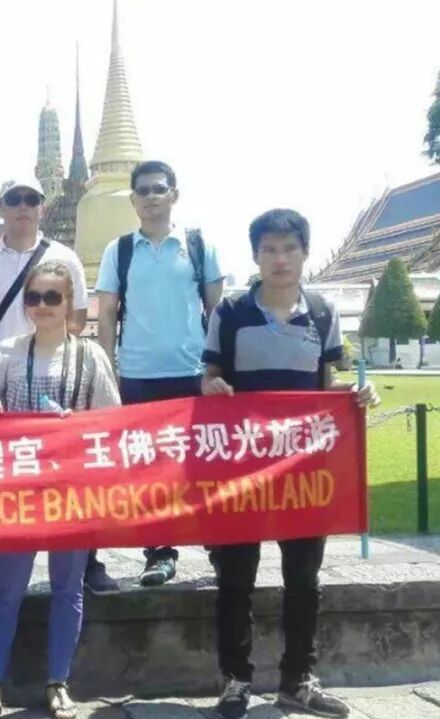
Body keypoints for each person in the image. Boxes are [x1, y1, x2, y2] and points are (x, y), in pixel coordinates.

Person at [201, 209, 379, 719]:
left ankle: (298, 680)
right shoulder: (231, 312)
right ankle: (235, 681)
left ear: (304, 253)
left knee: (304, 579)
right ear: (255, 256)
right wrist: (211, 385)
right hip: (241, 468)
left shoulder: (322, 312)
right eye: (269, 250)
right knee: (235, 577)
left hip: (303, 470)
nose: (280, 259)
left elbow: (325, 386)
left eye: (289, 249)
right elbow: (209, 375)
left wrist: (356, 395)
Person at [0, 260, 121, 719]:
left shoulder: (90, 355)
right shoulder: (9, 351)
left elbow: (112, 420)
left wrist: (77, 425)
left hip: (72, 489)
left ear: (69, 303)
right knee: (7, 587)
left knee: (68, 588)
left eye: (52, 297)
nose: (41, 306)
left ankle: (59, 681)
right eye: (33, 297)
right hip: (18, 487)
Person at [0, 176, 113, 595]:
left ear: (42, 206)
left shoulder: (64, 257)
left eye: (31, 199)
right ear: (1, 208)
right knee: (14, 491)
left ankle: (87, 561)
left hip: (61, 380)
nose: (23, 206)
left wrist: (49, 346)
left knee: (75, 484)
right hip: (6, 389)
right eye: (14, 199)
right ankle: (11, 563)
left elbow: (77, 318)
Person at [94, 160, 225, 587]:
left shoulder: (199, 245)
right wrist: (108, 369)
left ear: (174, 195)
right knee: (148, 469)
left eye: (159, 188)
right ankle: (159, 552)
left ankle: (219, 548)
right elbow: (107, 314)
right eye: (143, 191)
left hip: (191, 372)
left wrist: (216, 367)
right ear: (133, 201)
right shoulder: (119, 251)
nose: (151, 197)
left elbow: (216, 312)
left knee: (201, 465)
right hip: (138, 374)